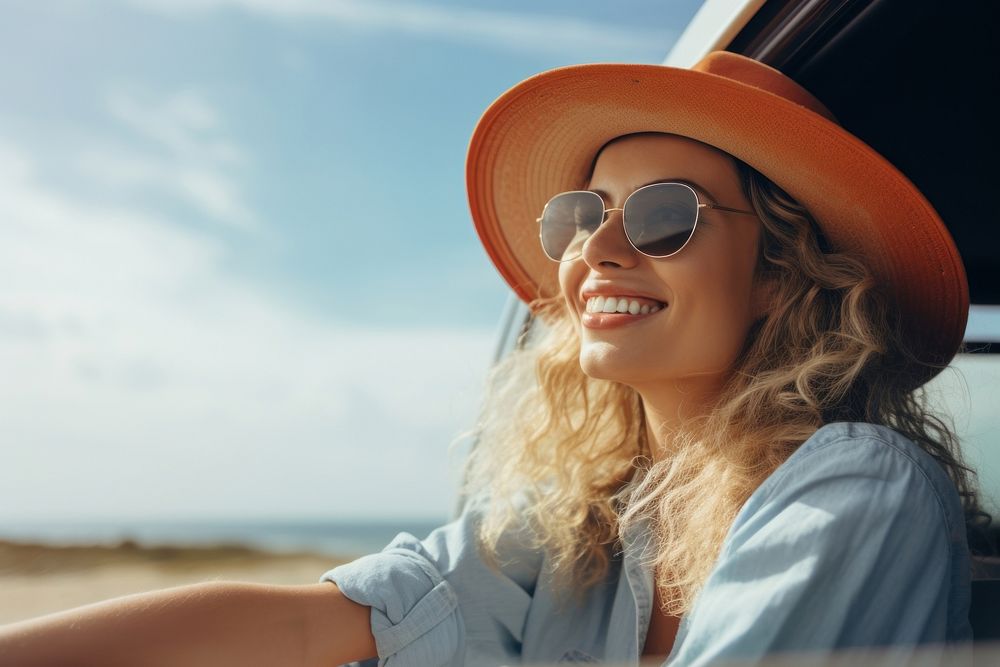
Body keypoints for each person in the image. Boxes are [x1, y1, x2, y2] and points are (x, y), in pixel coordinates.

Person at [0, 51, 992, 667]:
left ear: (780, 272)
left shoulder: (855, 487)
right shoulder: (591, 529)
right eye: (579, 215)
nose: (594, 250)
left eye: (660, 217)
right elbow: (306, 626)